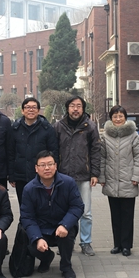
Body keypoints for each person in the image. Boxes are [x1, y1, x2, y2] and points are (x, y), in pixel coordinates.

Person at [20, 150, 84, 278]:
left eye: (50, 164)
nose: (47, 168)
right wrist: (37, 237)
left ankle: (66, 267)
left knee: (67, 234)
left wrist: (65, 224)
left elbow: (77, 206)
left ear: (55, 166)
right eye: (42, 165)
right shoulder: (29, 189)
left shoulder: (68, 183)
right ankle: (46, 257)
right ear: (36, 168)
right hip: (42, 228)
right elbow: (27, 217)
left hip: (62, 225)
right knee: (29, 237)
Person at [54, 96, 100, 256]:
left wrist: (95, 173)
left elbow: (96, 151)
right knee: (63, 211)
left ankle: (86, 242)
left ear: (83, 108)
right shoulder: (59, 126)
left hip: (84, 175)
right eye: (72, 106)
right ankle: (65, 242)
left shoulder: (90, 126)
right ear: (67, 108)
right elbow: (54, 150)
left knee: (86, 212)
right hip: (63, 176)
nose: (75, 109)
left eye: (79, 106)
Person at [98, 105, 139, 257]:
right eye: (115, 116)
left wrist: (136, 176)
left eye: (121, 116)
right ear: (111, 118)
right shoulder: (106, 136)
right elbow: (102, 158)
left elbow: (138, 157)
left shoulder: (133, 135)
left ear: (125, 117)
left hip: (128, 180)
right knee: (115, 215)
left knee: (127, 216)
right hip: (111, 180)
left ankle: (126, 245)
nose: (118, 119)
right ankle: (117, 244)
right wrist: (102, 177)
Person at [8, 97, 59, 205]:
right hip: (21, 176)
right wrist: (11, 175)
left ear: (38, 110)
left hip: (43, 175)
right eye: (27, 107)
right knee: (24, 206)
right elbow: (10, 153)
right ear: (22, 111)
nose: (31, 110)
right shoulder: (15, 129)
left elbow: (54, 151)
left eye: (34, 107)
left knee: (43, 205)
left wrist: (53, 172)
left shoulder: (47, 128)